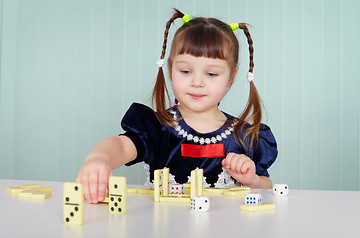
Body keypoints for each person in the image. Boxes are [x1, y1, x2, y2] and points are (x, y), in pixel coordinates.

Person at [76, 9, 278, 204]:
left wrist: (252, 180)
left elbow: (267, 188)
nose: (196, 82)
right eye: (185, 71)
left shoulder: (246, 135)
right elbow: (121, 146)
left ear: (231, 77)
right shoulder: (157, 127)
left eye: (211, 74)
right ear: (171, 69)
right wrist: (99, 158)